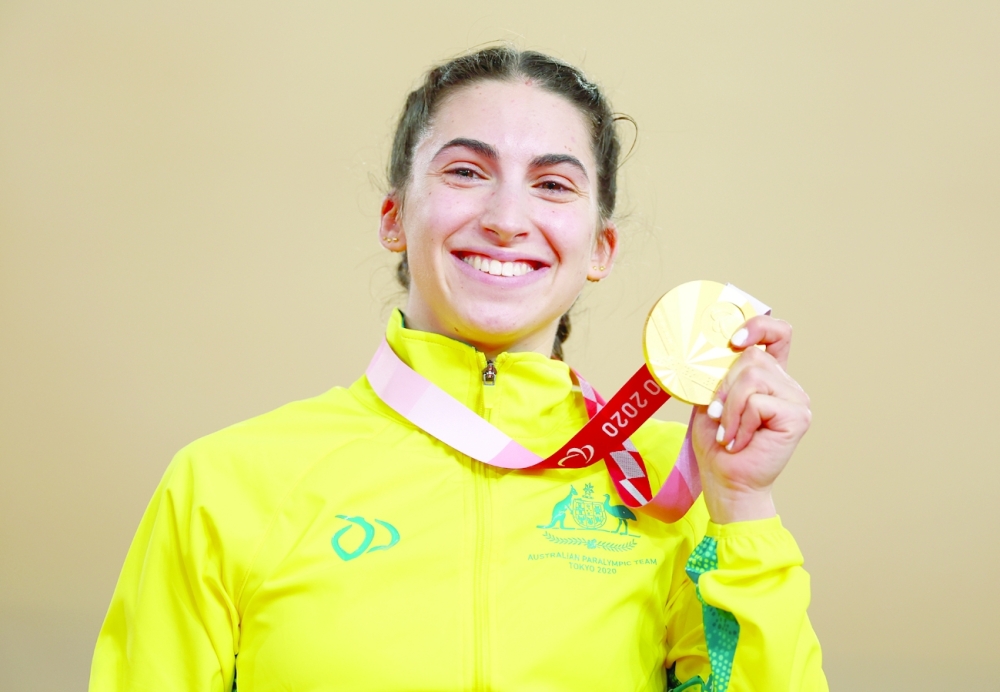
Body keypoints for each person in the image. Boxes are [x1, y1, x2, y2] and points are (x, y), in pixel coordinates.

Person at [90, 46, 827, 691]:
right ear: (393, 218)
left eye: (553, 184)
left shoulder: (678, 485)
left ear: (600, 248)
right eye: (467, 172)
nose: (507, 218)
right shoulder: (226, 482)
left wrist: (742, 507)